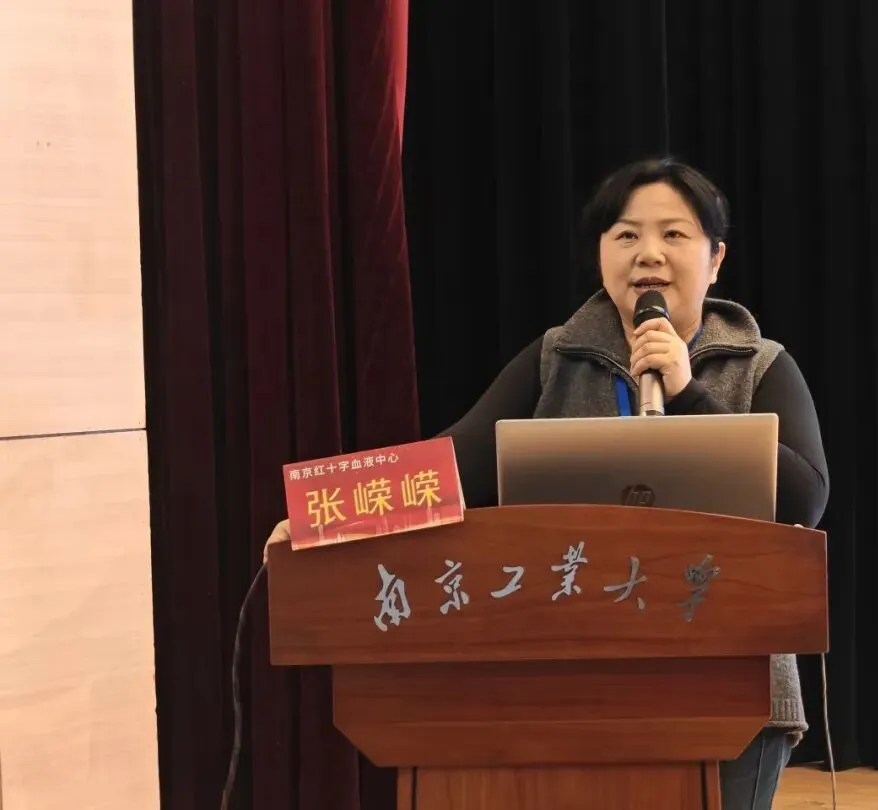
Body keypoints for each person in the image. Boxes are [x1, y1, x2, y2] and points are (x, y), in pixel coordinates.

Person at [265, 157, 829, 809]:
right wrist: (323, 514)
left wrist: (686, 393)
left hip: (732, 689)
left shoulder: (759, 366)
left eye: (674, 234)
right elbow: (451, 465)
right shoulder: (553, 361)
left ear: (716, 259)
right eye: (625, 234)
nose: (648, 253)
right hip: (565, 681)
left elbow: (804, 498)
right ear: (601, 254)